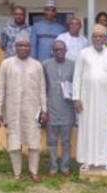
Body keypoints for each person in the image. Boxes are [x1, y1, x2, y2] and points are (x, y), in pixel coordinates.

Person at [0, 32, 48, 182]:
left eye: (27, 45)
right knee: (14, 141)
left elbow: (42, 89)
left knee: (34, 141)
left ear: (30, 47)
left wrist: (44, 110)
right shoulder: (7, 64)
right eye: (20, 45)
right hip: (13, 110)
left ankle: (33, 171)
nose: (24, 48)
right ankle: (16, 173)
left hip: (33, 110)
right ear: (15, 47)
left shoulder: (37, 65)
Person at [73, 24, 107, 172]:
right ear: (92, 38)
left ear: (105, 38)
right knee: (86, 128)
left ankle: (106, 160)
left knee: (104, 129)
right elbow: (77, 77)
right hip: (86, 99)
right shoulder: (83, 53)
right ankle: (86, 160)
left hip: (105, 100)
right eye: (95, 36)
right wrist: (76, 98)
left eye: (100, 36)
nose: (98, 39)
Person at [42, 40, 75, 177]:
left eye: (62, 49)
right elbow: (42, 87)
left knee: (66, 141)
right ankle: (53, 167)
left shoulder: (72, 65)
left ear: (66, 50)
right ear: (53, 51)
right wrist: (43, 108)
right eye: (56, 50)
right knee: (52, 141)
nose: (59, 52)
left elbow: (76, 85)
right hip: (51, 108)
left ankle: (65, 166)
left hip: (67, 109)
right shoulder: (45, 65)